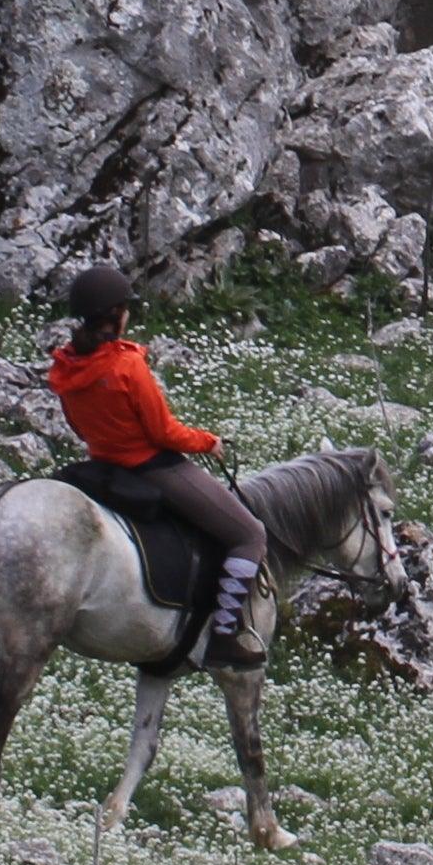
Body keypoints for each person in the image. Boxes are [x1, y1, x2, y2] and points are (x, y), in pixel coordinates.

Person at [44, 259, 270, 662]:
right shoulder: (128, 365)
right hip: (152, 467)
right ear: (117, 315)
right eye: (126, 308)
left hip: (101, 468)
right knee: (249, 534)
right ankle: (223, 635)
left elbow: (79, 429)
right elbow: (163, 433)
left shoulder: (65, 368)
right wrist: (208, 442)